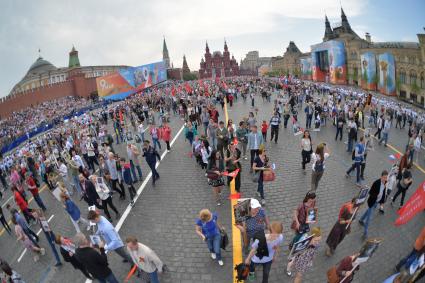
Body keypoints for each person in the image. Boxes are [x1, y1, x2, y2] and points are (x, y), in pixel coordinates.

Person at [358, 170, 388, 238]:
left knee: (368, 211)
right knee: (369, 218)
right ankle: (365, 233)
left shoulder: (385, 183)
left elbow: (383, 193)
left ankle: (361, 219)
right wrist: (376, 195)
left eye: (386, 178)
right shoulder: (376, 183)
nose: (385, 179)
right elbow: (370, 192)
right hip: (372, 201)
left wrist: (382, 202)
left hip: (377, 202)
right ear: (381, 177)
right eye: (384, 177)